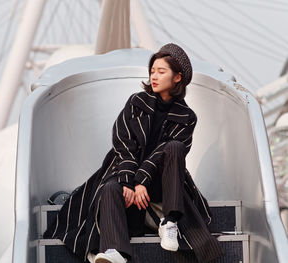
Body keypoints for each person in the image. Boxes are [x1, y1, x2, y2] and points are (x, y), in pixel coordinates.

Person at [44, 43, 223, 263]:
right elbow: (123, 142)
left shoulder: (187, 117)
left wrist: (142, 181)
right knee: (110, 188)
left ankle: (170, 221)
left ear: (177, 78)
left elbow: (164, 152)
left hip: (164, 186)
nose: (154, 76)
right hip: (126, 174)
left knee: (174, 148)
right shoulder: (137, 102)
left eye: (161, 71)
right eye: (152, 71)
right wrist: (128, 182)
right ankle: (115, 252)